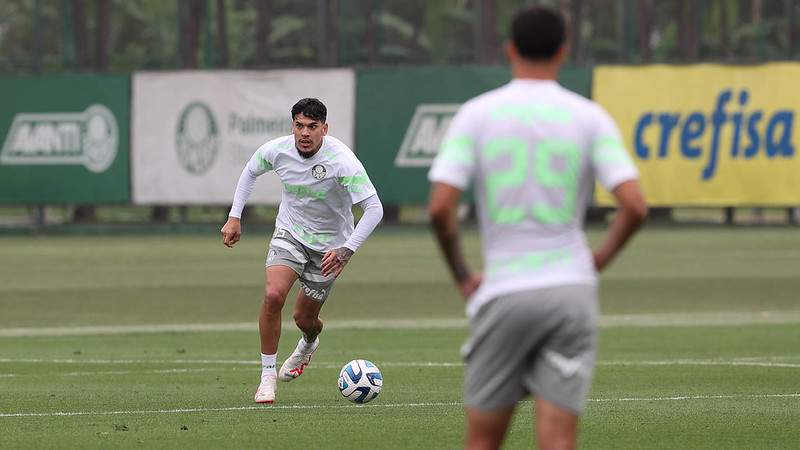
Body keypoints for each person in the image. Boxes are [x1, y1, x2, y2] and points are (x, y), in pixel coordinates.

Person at [427, 6, 647, 450]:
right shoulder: (589, 116)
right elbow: (635, 206)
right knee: (558, 441)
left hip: (506, 287)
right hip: (571, 289)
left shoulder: (476, 114)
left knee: (483, 441)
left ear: (510, 50)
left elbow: (439, 209)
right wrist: (595, 261)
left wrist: (464, 277)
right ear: (563, 52)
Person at [221, 98, 383, 404]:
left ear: (324, 128)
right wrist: (234, 216)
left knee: (304, 319)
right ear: (292, 126)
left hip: (331, 248)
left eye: (311, 127)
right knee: (273, 296)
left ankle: (309, 344)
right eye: (299, 126)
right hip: (290, 233)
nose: (304, 133)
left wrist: (347, 249)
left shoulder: (342, 161)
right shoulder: (277, 150)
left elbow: (374, 209)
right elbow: (250, 171)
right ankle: (267, 377)